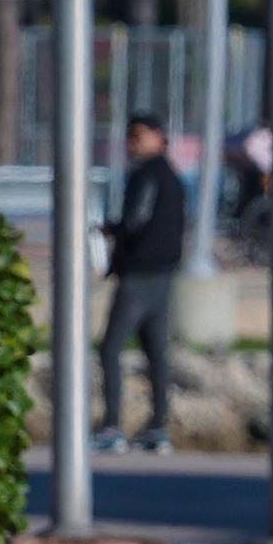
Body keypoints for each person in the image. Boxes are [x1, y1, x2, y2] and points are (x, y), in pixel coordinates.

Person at [93, 113, 186, 455]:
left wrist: (109, 230)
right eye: (129, 136)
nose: (132, 143)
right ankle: (159, 426)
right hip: (164, 275)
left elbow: (135, 221)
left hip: (139, 276)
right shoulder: (173, 177)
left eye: (138, 135)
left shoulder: (147, 176)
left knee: (111, 349)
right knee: (155, 352)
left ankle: (111, 426)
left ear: (159, 138)